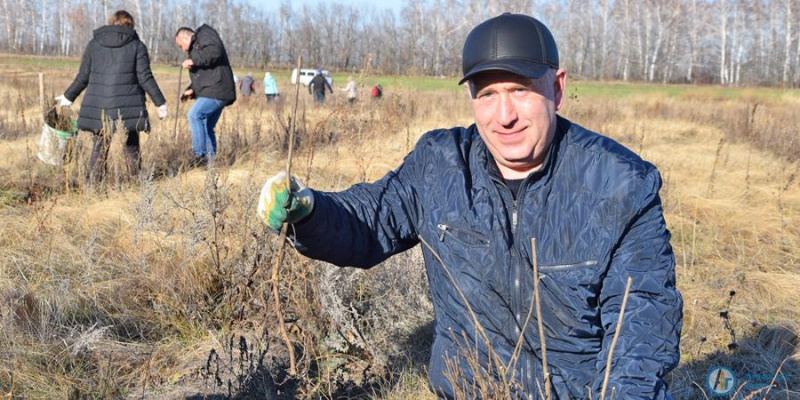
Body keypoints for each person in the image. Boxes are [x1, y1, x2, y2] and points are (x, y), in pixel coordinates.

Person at [258, 13, 682, 400]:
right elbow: (369, 221)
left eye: (520, 90)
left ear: (557, 87)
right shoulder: (439, 165)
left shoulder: (620, 185)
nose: (504, 115)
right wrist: (308, 211)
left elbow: (640, 329)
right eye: (487, 94)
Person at [57, 10, 167, 182]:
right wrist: (160, 103)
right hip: (128, 105)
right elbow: (145, 77)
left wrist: (68, 96)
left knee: (99, 146)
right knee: (131, 147)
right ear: (131, 26)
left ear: (111, 23)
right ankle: (135, 185)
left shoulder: (94, 44)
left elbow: (83, 76)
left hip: (99, 106)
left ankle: (94, 186)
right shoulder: (137, 46)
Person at [174, 25, 236, 167]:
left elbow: (215, 51)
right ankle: (210, 165)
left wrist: (193, 61)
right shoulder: (196, 49)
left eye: (180, 45)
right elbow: (205, 75)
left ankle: (199, 155)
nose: (182, 49)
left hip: (218, 89)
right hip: (216, 88)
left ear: (185, 37)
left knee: (194, 115)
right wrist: (192, 90)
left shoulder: (205, 34)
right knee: (207, 125)